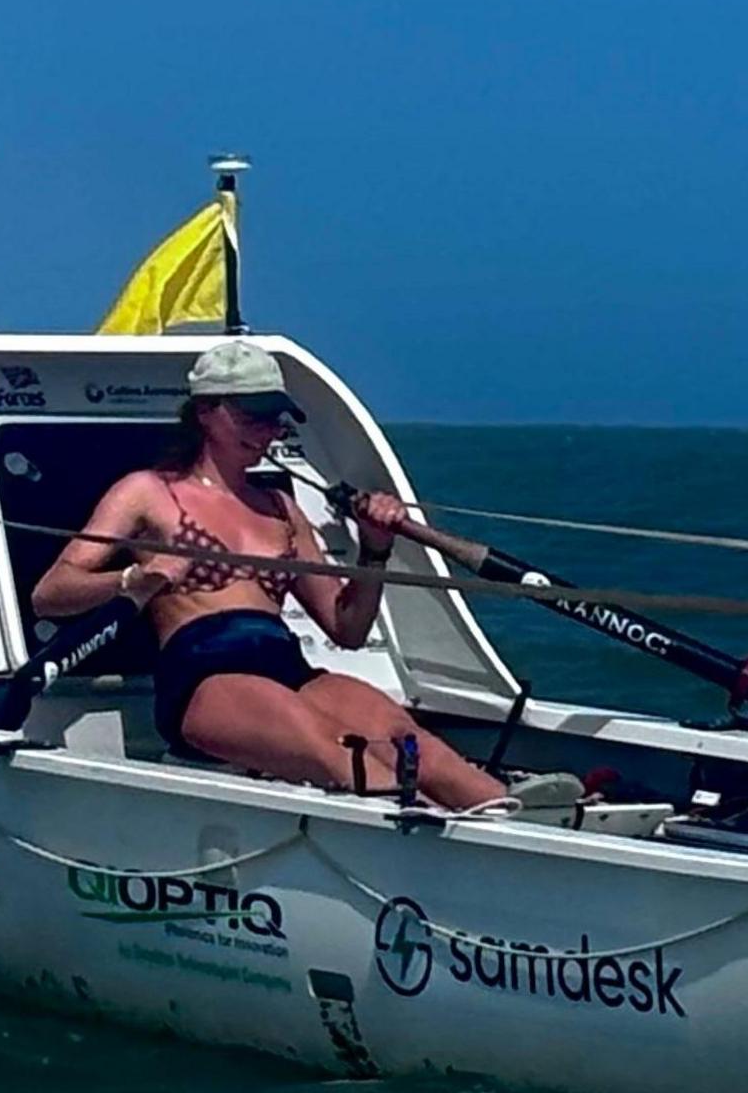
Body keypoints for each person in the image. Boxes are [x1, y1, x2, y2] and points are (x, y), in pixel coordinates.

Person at [30, 339, 515, 812]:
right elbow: (51, 593)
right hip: (205, 677)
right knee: (336, 749)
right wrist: (135, 578)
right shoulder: (148, 492)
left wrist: (375, 548)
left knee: (409, 741)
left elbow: (347, 628)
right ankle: (432, 831)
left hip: (289, 669)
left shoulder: (281, 508)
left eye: (273, 419)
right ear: (206, 411)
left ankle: (512, 815)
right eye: (251, 416)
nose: (266, 432)